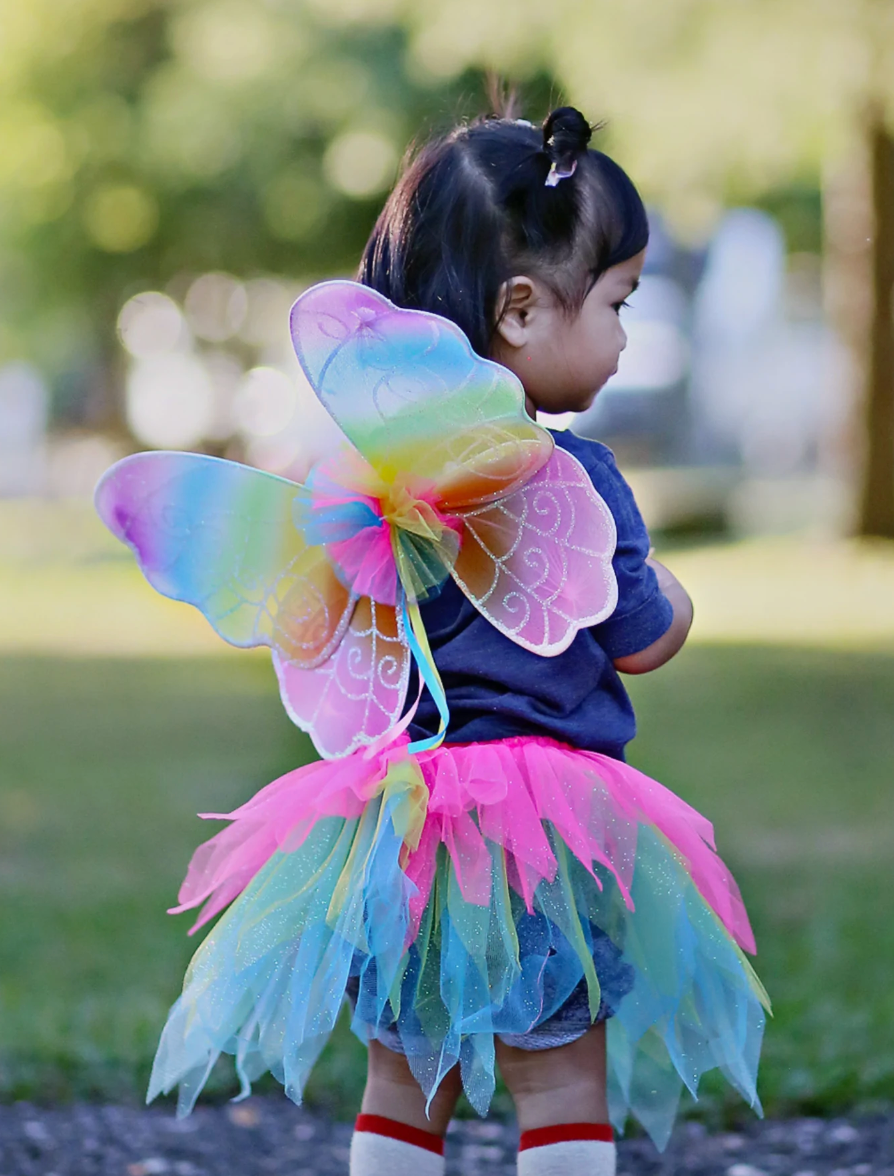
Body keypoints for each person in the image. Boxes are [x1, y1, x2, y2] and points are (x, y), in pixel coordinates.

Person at [100, 106, 768, 1176]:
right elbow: (641, 639)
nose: (626, 334)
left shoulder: (366, 493)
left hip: (403, 831)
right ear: (520, 309)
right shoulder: (576, 482)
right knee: (558, 1076)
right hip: (546, 832)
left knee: (402, 1083)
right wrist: (679, 597)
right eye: (616, 301)